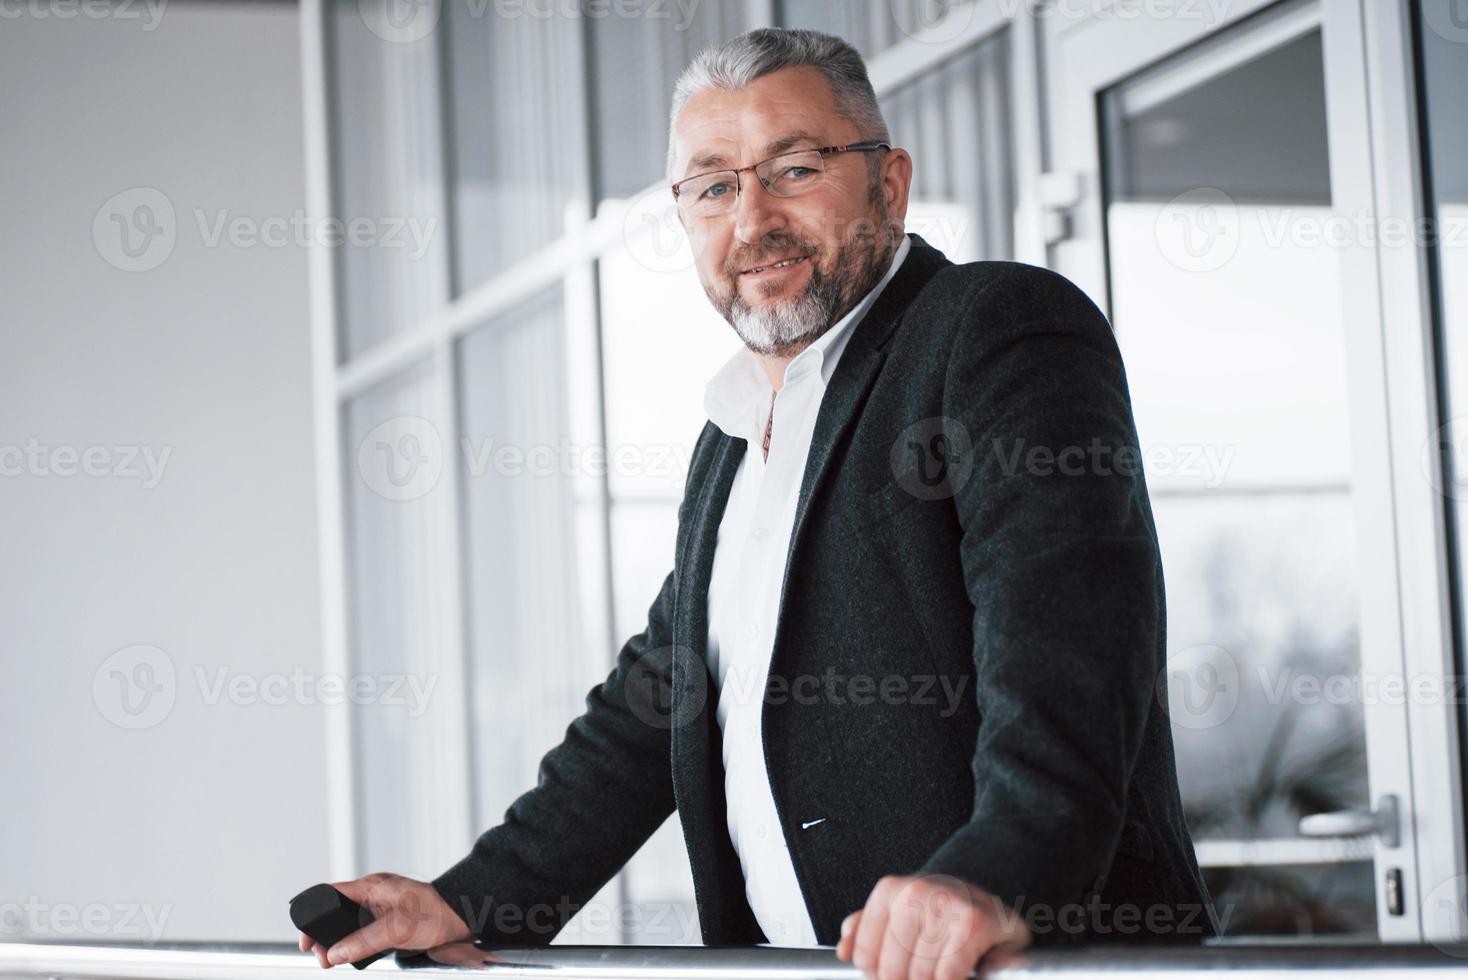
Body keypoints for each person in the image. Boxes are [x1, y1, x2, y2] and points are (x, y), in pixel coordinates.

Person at [300, 26, 1218, 980]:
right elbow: (658, 700)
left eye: (793, 168)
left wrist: (993, 877)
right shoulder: (732, 433)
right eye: (714, 186)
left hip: (1014, 963)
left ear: (890, 184)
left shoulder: (995, 327)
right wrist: (468, 901)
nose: (752, 219)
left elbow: (1071, 641)